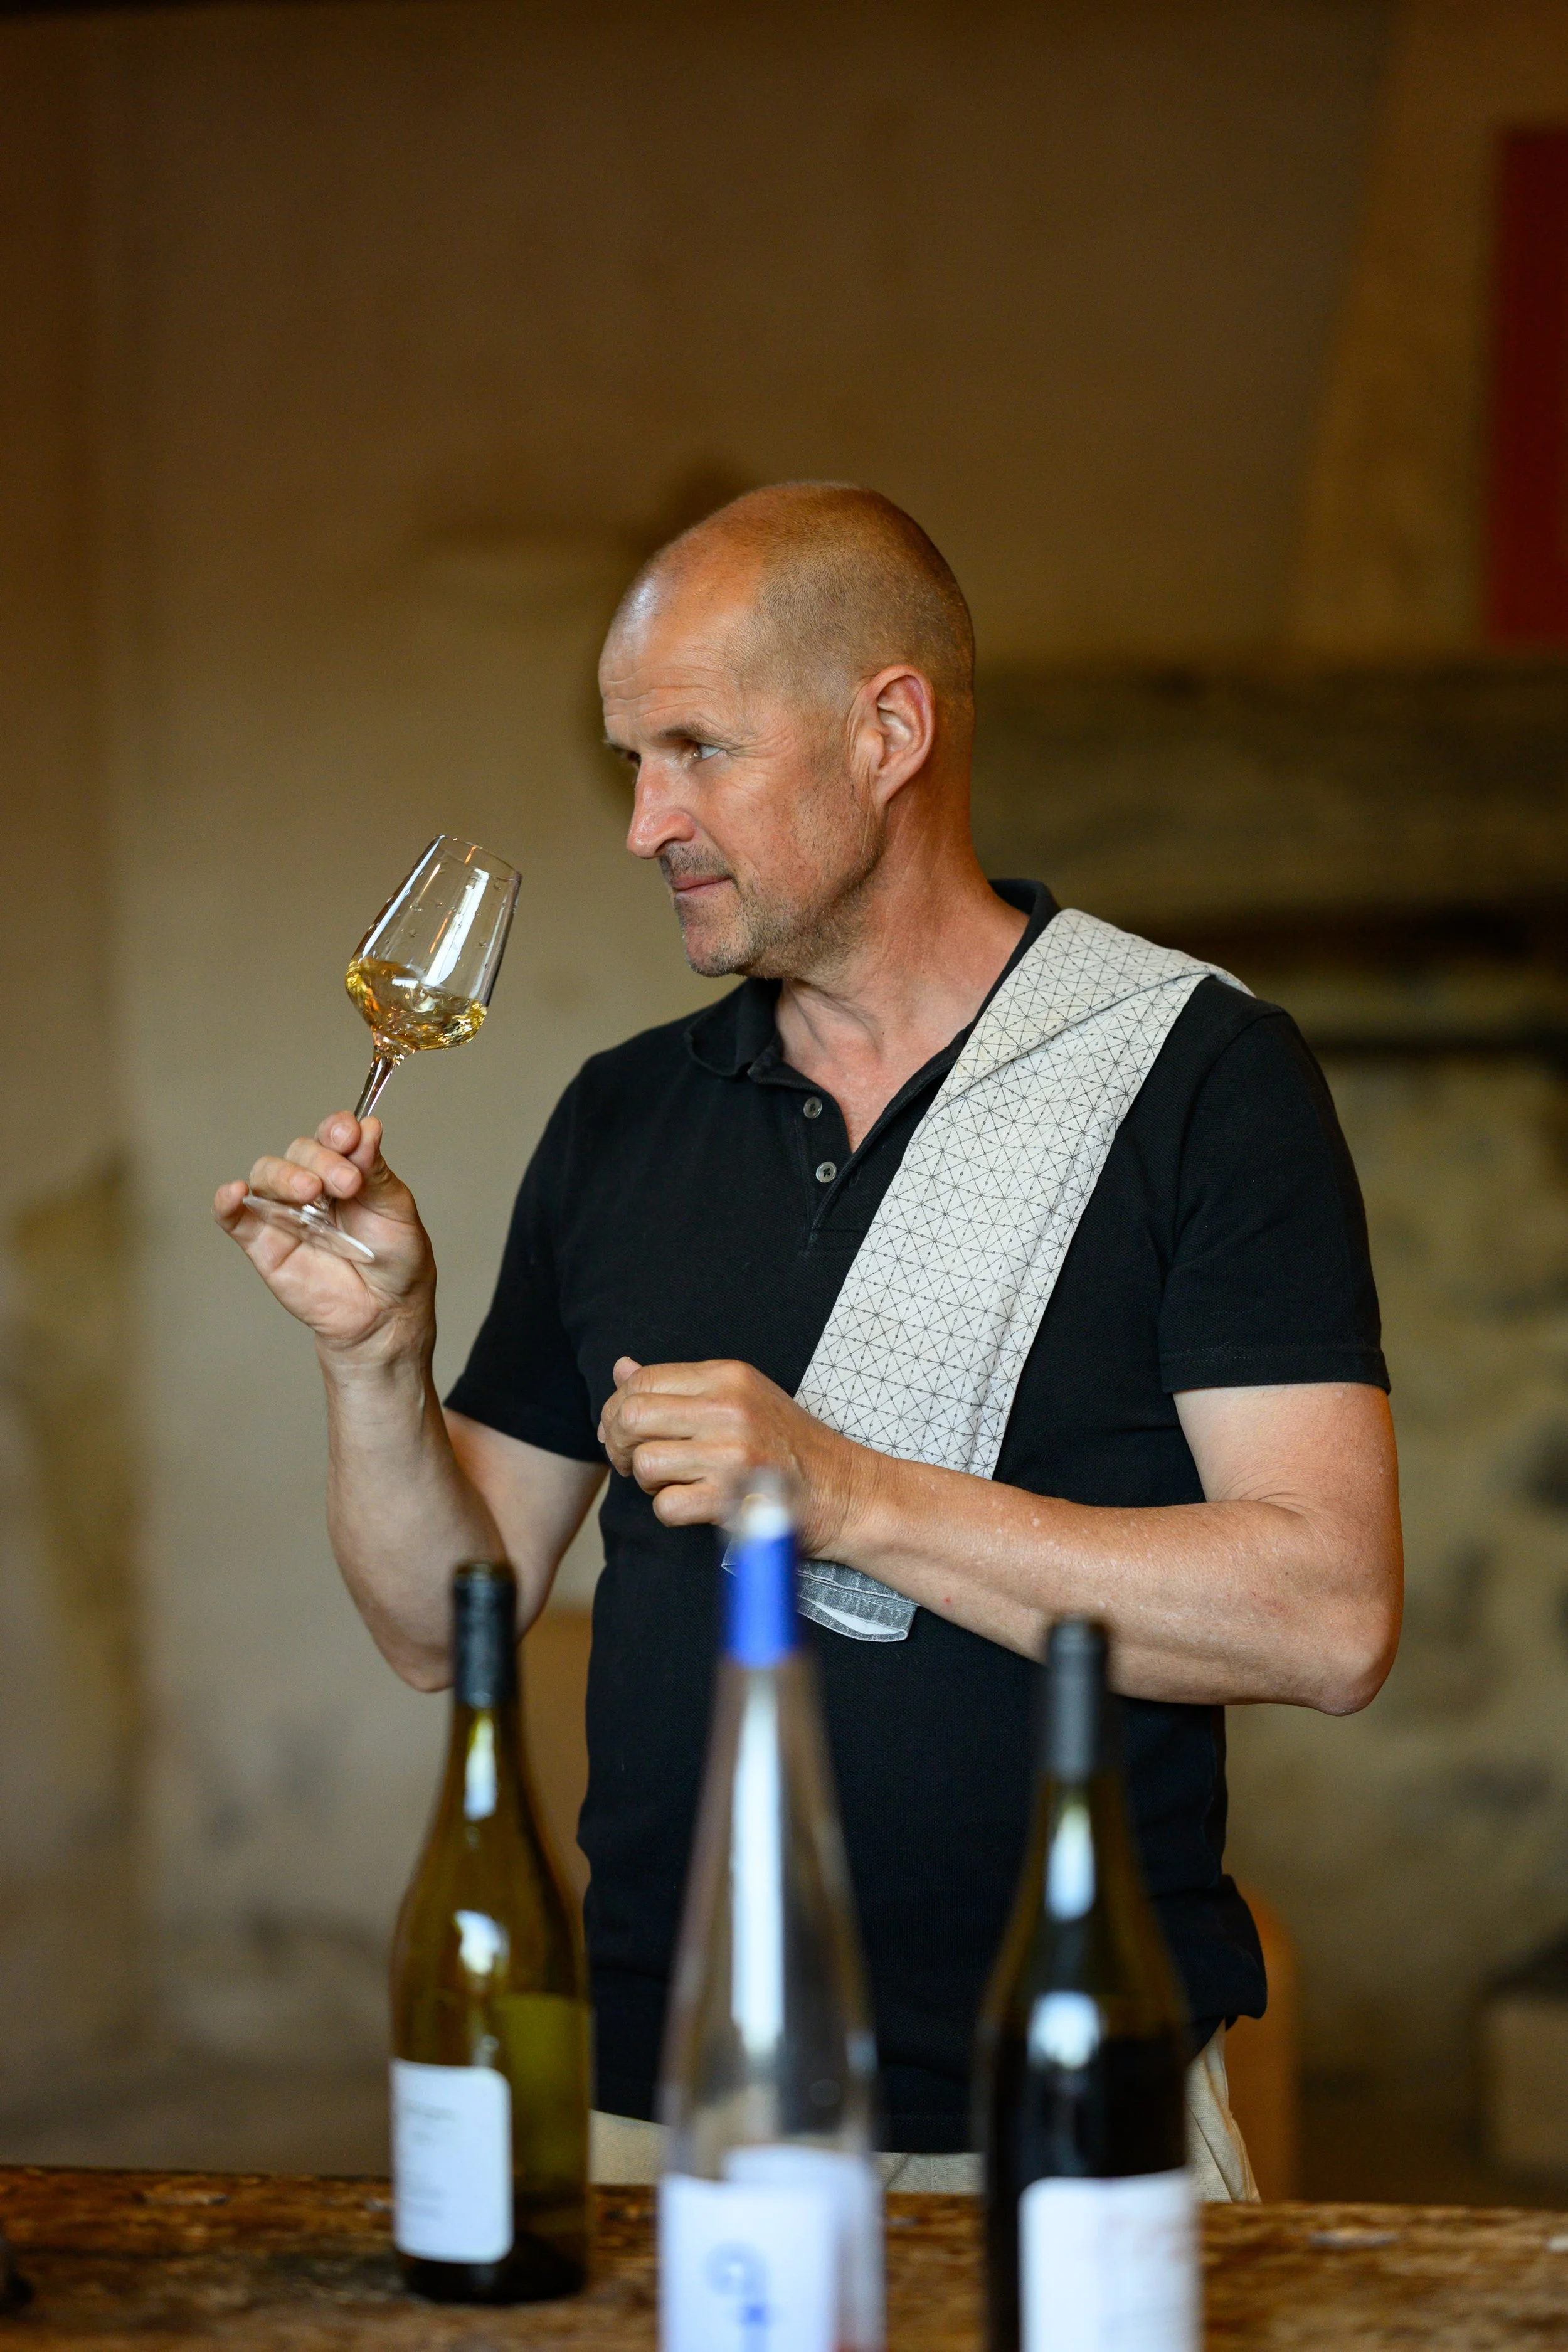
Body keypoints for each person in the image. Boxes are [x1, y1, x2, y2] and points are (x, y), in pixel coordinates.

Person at [216, 483, 1402, 2197]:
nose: (642, 821)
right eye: (633, 758)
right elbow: (434, 1628)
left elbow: (1329, 1615)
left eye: (692, 748)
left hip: (1052, 2100)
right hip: (653, 2091)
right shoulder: (620, 1117)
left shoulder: (1198, 1081)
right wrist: (372, 1359)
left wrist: (839, 1489)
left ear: (888, 729)